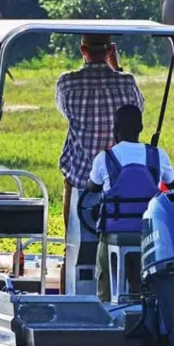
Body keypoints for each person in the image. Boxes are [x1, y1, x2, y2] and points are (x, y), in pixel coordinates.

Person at [56, 34, 144, 295]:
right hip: (120, 183)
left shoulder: (67, 82)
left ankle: (68, 299)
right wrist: (117, 68)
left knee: (73, 246)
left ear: (82, 50)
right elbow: (135, 113)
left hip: (80, 180)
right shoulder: (127, 83)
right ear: (110, 50)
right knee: (123, 244)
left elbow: (65, 112)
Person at [88, 104, 174, 301]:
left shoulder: (104, 158)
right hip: (150, 231)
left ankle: (106, 300)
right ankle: (142, 298)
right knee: (144, 271)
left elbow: (93, 187)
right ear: (141, 128)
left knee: (104, 265)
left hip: (115, 231)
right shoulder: (157, 155)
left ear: (114, 128)